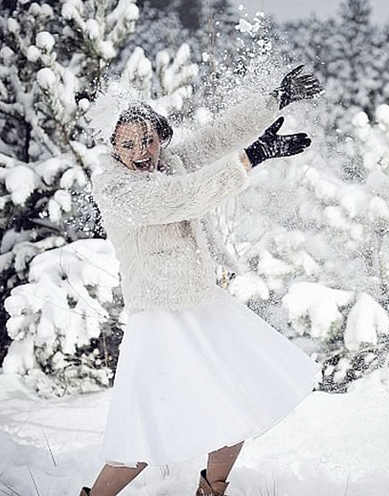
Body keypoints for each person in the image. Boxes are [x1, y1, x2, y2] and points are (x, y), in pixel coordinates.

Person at [81, 66, 324, 496]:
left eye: (149, 139)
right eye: (129, 144)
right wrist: (252, 158)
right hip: (159, 317)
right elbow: (180, 197)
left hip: (201, 303)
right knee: (143, 435)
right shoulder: (115, 190)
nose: (143, 152)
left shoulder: (170, 162)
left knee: (240, 401)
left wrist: (275, 98)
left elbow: (218, 136)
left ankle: (211, 490)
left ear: (161, 136)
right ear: (113, 147)